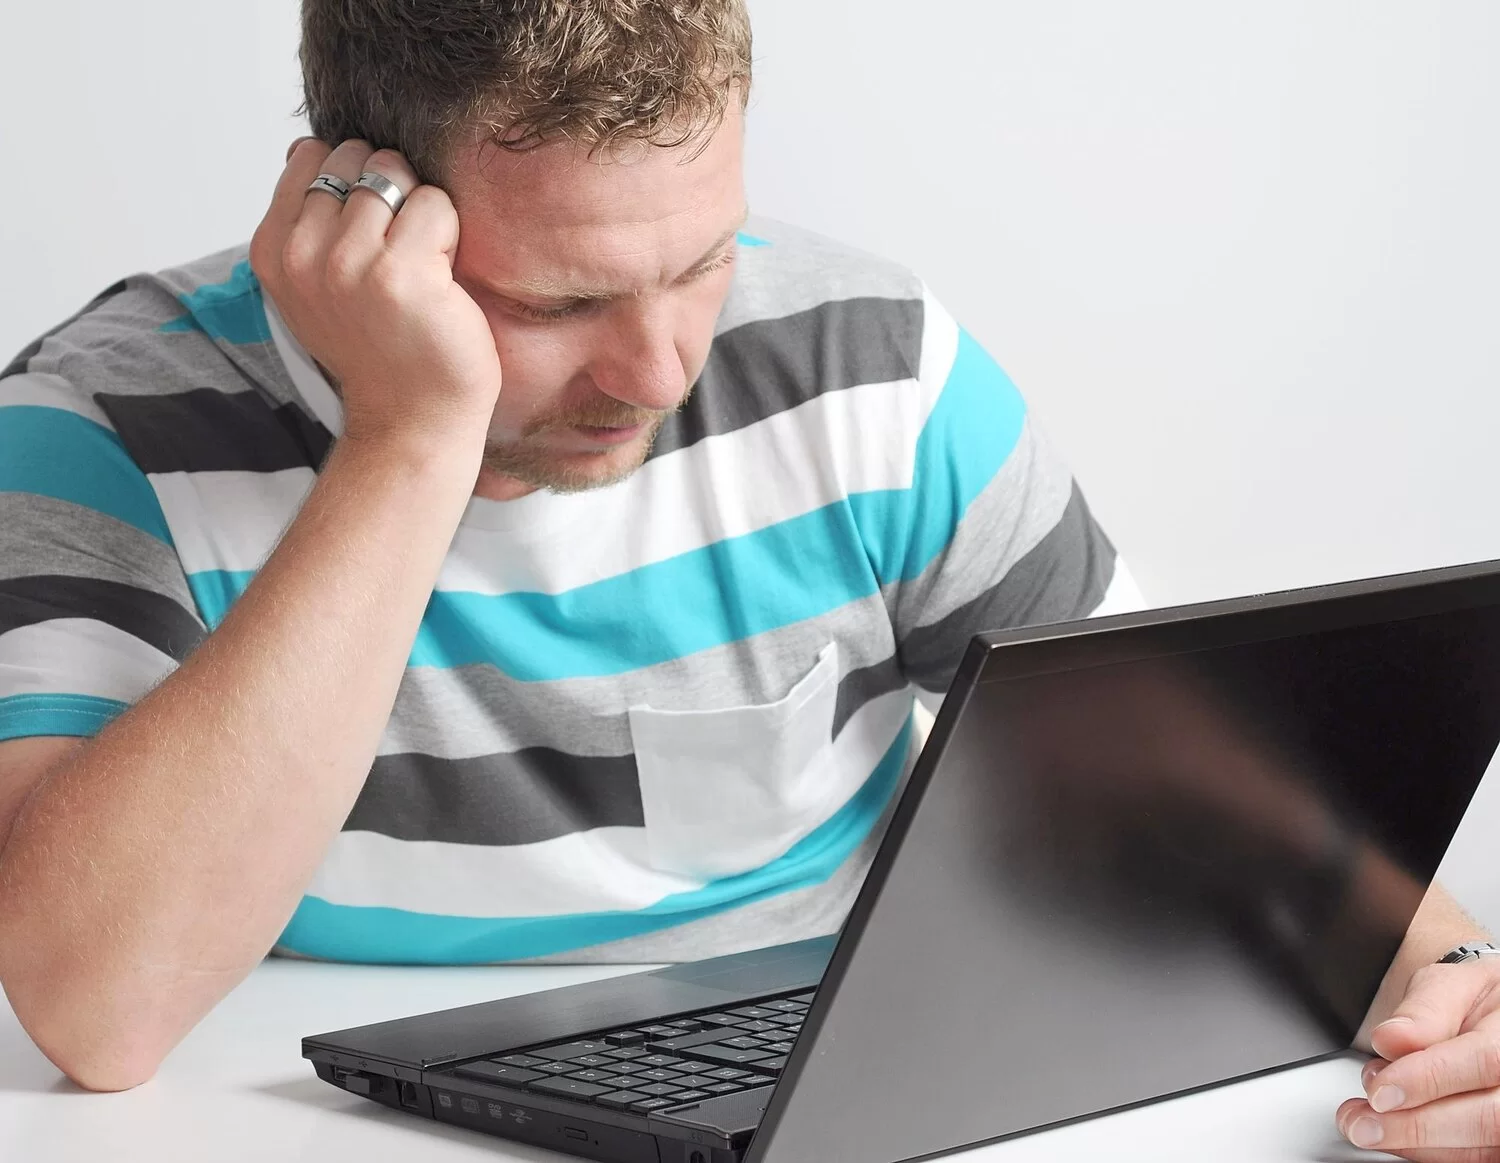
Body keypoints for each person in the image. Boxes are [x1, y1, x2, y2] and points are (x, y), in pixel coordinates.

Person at [0, 1, 1493, 1154]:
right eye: (559, 297)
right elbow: (102, 1006)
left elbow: (1181, 771)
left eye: (706, 258)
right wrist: (406, 440)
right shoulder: (93, 429)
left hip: (803, 1100)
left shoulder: (871, 365)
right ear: (358, 209)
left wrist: (1451, 976)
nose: (659, 370)